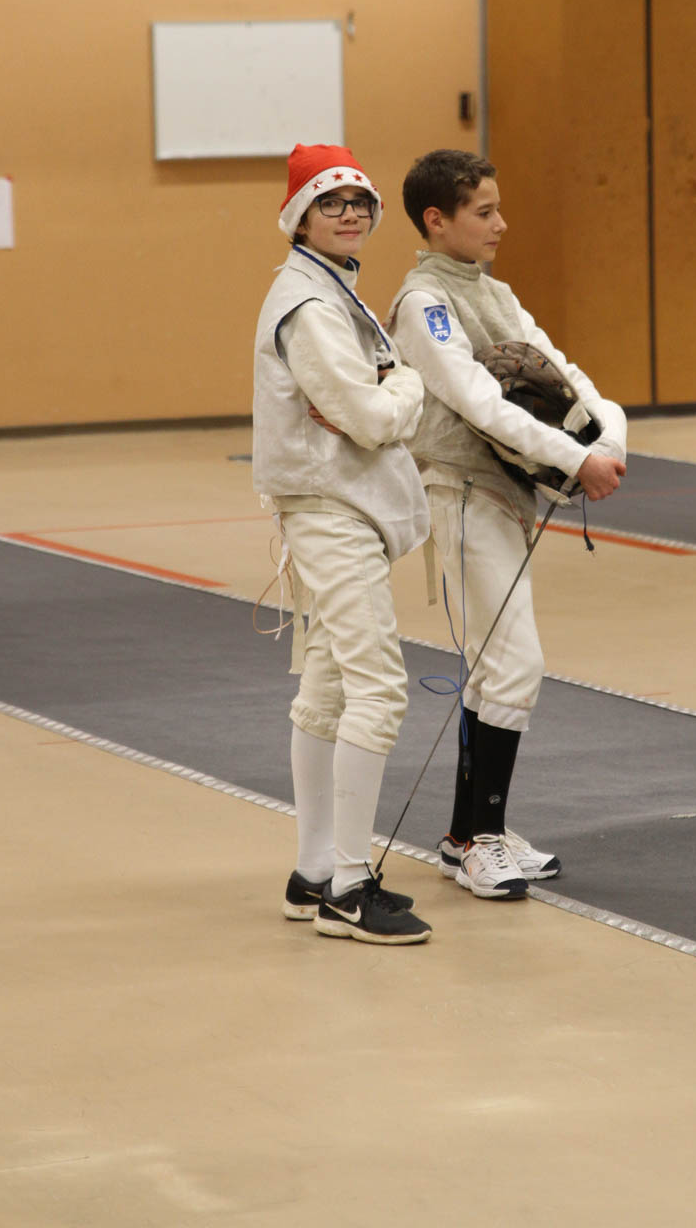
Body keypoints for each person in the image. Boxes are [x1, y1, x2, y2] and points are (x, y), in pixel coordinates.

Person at [388, 149, 627, 900]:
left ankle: (470, 834)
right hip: (460, 493)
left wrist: (610, 436)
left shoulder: (494, 292)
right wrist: (574, 457)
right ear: (437, 220)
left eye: (498, 208)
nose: (501, 224)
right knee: (514, 663)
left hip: (505, 495)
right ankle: (477, 839)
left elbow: (566, 370)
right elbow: (476, 401)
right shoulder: (423, 302)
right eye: (483, 212)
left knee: (495, 667)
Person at [253, 142, 432, 944]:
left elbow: (366, 409)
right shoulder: (310, 305)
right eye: (331, 202)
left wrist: (385, 392)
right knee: (378, 689)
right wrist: (408, 380)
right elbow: (369, 417)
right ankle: (350, 889)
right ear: (300, 217)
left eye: (359, 200)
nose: (350, 212)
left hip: (342, 507)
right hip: (331, 512)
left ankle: (312, 873)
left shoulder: (332, 287)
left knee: (327, 687)